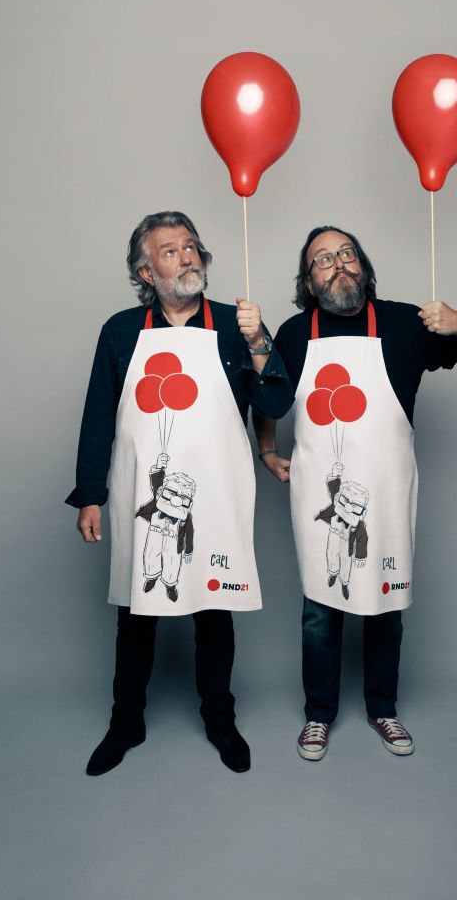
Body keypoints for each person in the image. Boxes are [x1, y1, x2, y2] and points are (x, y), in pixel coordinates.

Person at [254, 225, 457, 761]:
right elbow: (266, 397)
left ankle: (382, 708)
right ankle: (318, 715)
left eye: (345, 254)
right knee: (321, 607)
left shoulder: (408, 323)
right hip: (322, 495)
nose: (337, 264)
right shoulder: (295, 334)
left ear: (362, 264)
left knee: (387, 604)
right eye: (322, 260)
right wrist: (268, 450)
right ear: (309, 282)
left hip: (385, 493)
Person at [66, 210, 292, 776]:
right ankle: (126, 724)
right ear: (146, 271)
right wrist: (90, 494)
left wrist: (260, 340)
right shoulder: (119, 331)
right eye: (170, 251)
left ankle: (221, 720)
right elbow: (98, 417)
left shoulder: (235, 326)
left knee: (215, 611)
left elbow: (272, 407)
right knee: (136, 615)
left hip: (216, 493)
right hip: (144, 491)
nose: (186, 256)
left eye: (192, 246)